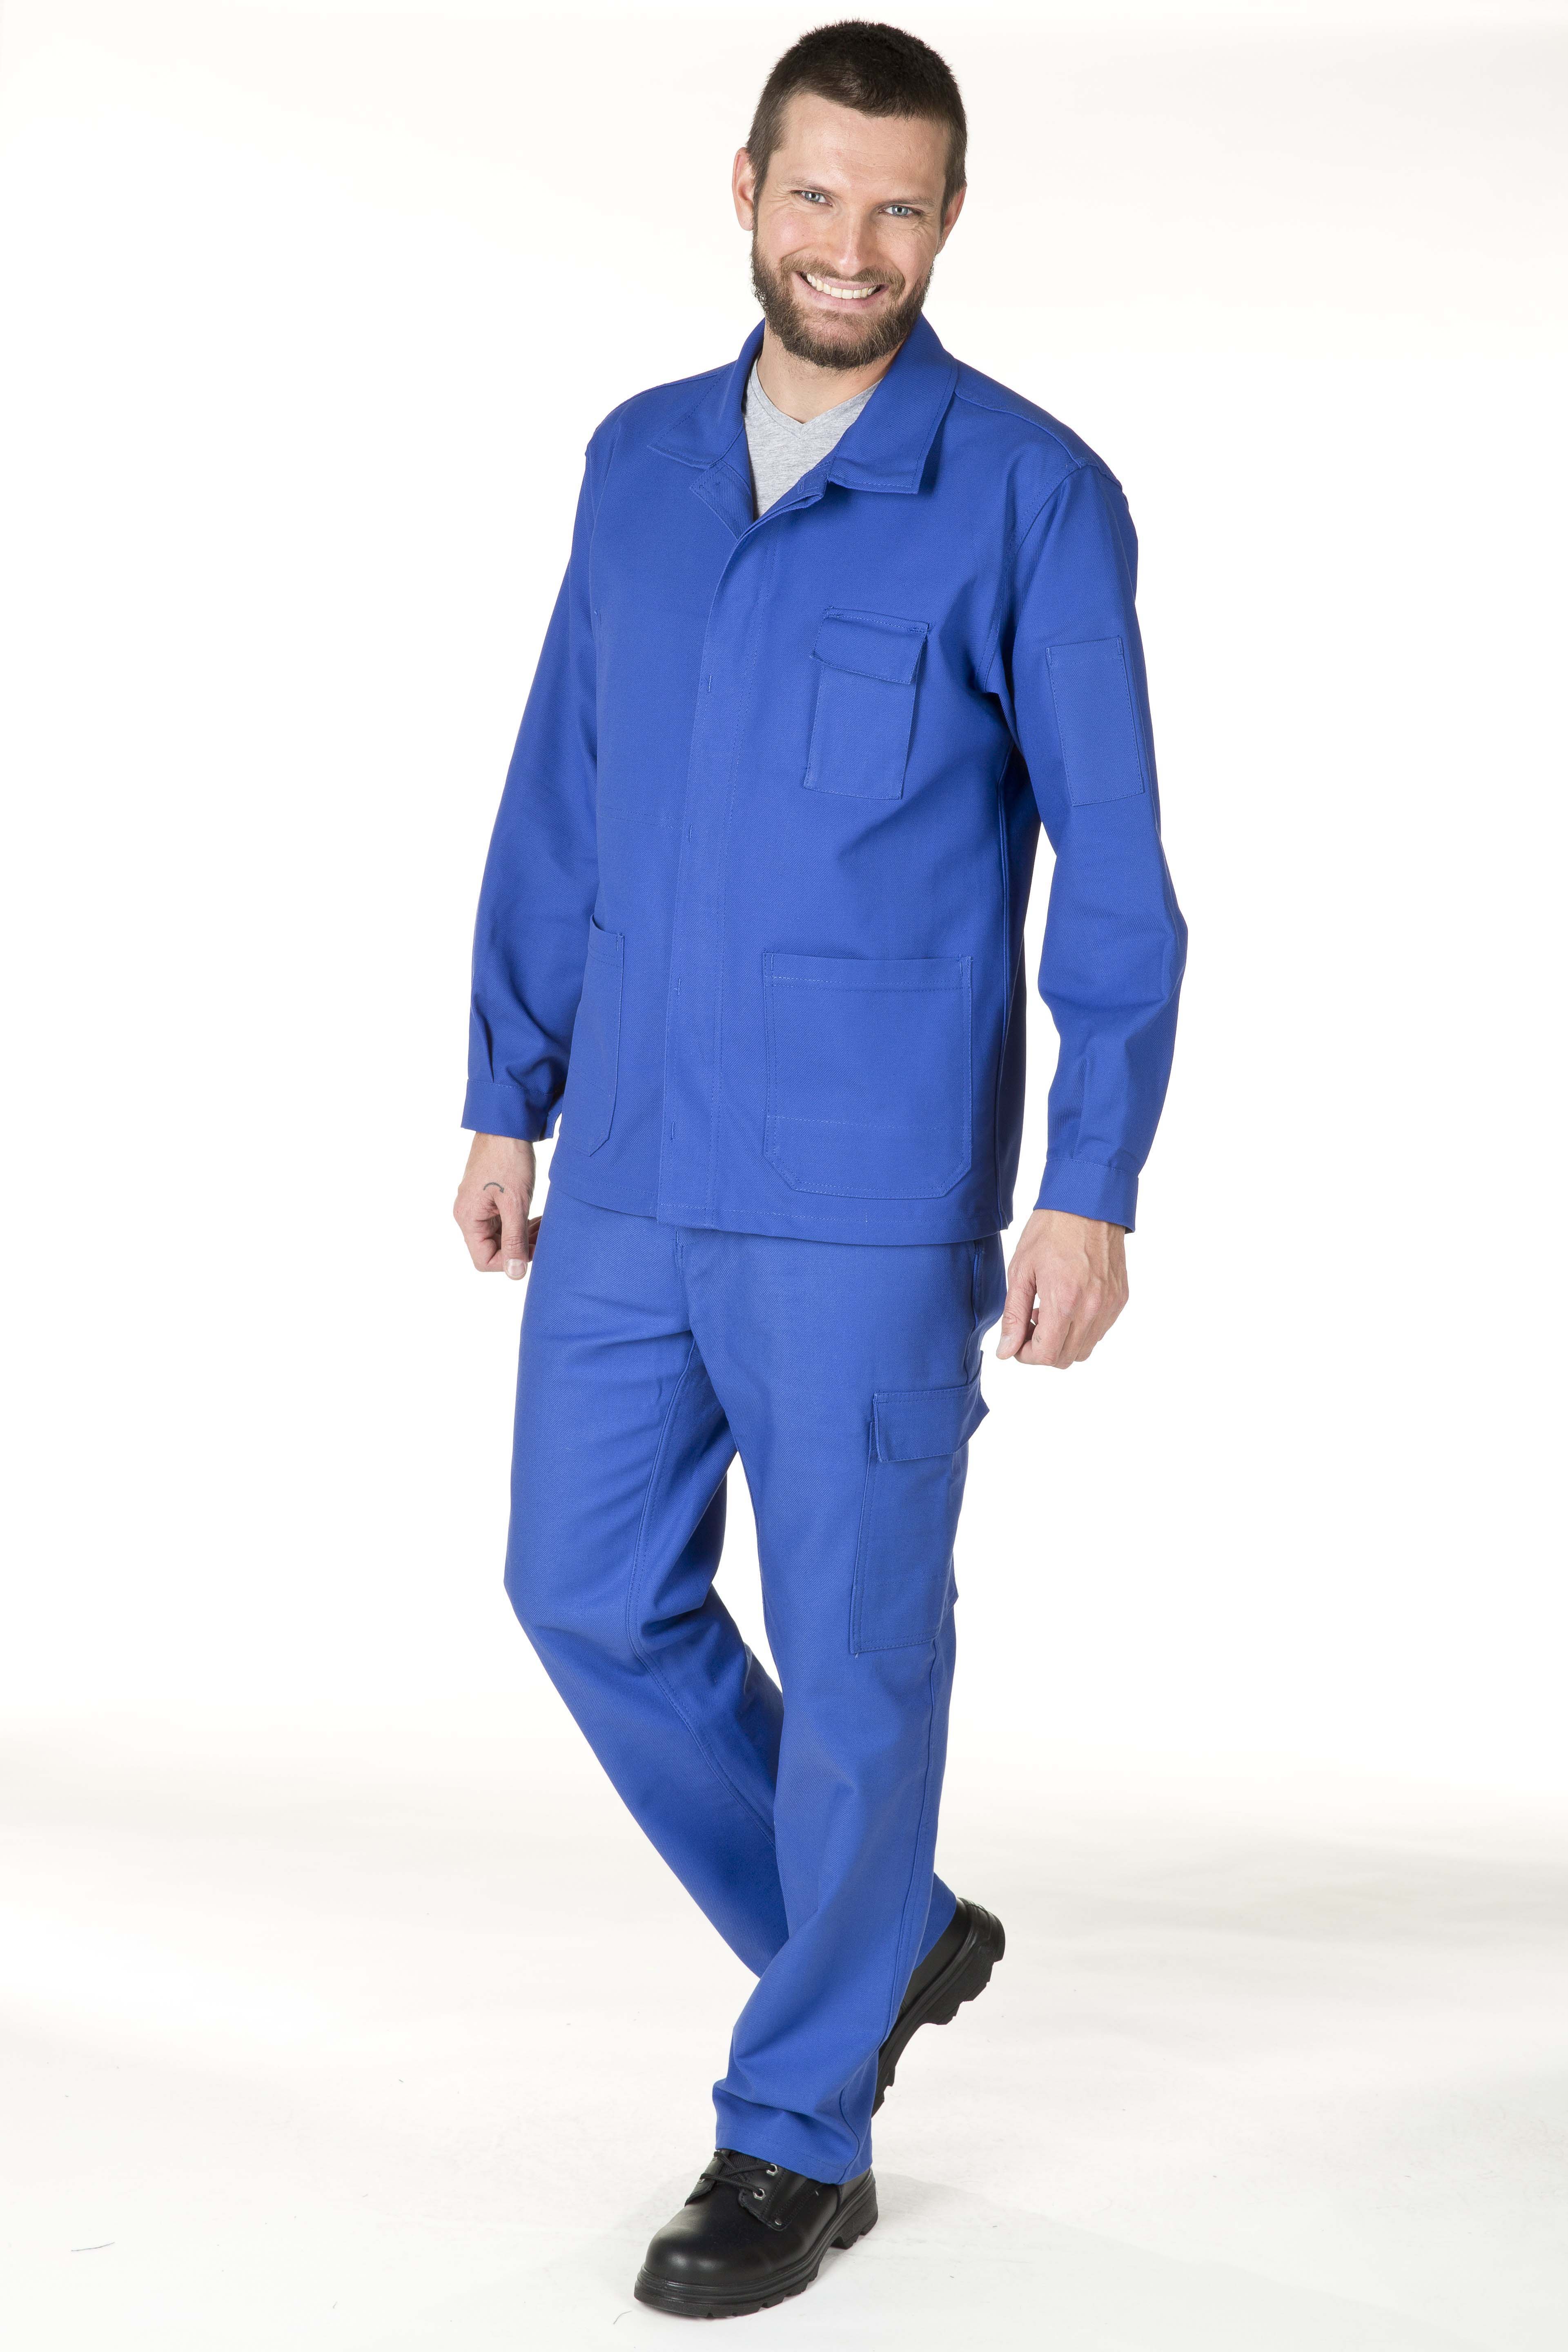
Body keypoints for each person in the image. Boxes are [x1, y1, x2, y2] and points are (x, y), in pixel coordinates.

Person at [453, 19, 1185, 2321]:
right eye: (816, 194)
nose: (851, 245)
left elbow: (1120, 871)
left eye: (899, 206)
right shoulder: (640, 463)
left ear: (947, 222)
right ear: (747, 188)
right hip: (634, 1158)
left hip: (871, 1195)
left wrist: (1093, 1178)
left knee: (862, 1655)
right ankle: (879, 1942)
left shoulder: (1030, 492)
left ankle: (798, 2132)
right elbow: (564, 783)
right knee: (584, 1590)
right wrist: (506, 1085)